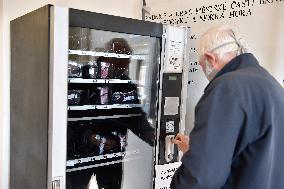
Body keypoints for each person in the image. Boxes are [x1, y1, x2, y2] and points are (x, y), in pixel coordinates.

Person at [171, 26, 284, 188]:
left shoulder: (226, 88)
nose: (204, 71)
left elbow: (200, 178)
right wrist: (198, 146)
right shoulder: (271, 85)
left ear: (211, 58)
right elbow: (254, 153)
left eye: (201, 65)